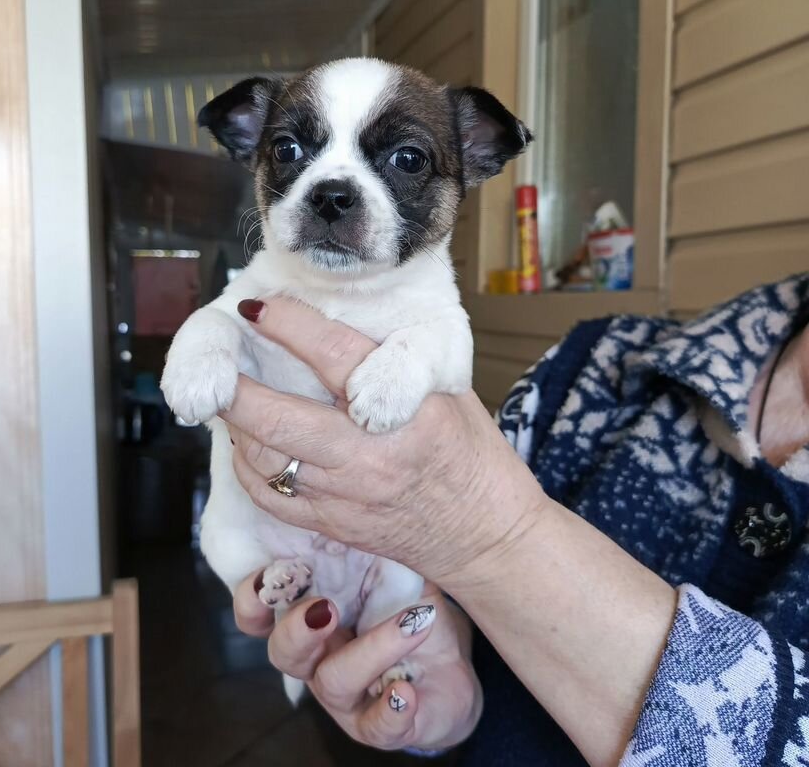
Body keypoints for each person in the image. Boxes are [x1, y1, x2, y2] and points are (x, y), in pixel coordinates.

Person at [220, 272, 809, 766]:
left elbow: (463, 523)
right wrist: (444, 697)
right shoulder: (597, 362)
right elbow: (432, 605)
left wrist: (494, 536)